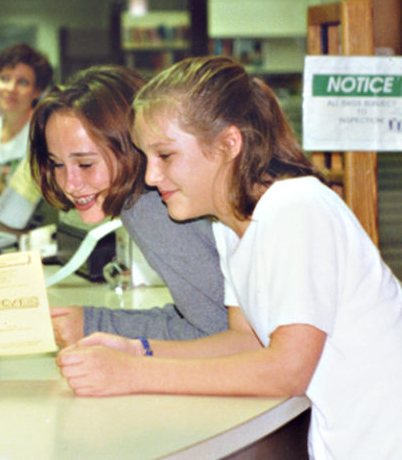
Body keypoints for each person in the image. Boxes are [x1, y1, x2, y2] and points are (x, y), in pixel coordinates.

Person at [56, 56, 402, 459]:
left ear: (228, 145)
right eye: (146, 158)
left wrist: (134, 374)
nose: (150, 177)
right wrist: (139, 349)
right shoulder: (229, 228)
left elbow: (288, 370)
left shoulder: (296, 205)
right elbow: (245, 340)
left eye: (165, 156)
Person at [29, 65, 227, 347]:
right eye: (57, 164)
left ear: (130, 147)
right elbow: (202, 318)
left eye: (86, 164)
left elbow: (217, 335)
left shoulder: (150, 209)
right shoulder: (147, 201)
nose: (70, 184)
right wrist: (91, 323)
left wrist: (93, 326)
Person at [0, 43, 52, 216]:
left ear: (36, 91)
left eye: (22, 82)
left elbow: (24, 207)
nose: (11, 89)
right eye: (4, 78)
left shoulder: (43, 136)